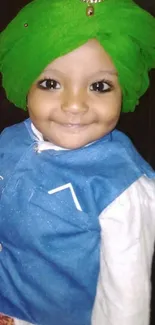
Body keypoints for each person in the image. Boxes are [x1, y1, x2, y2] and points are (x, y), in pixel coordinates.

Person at [0, 0, 155, 325]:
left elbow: (124, 301)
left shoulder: (121, 187)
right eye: (50, 84)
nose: (74, 104)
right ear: (26, 86)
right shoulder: (9, 142)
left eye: (99, 87)